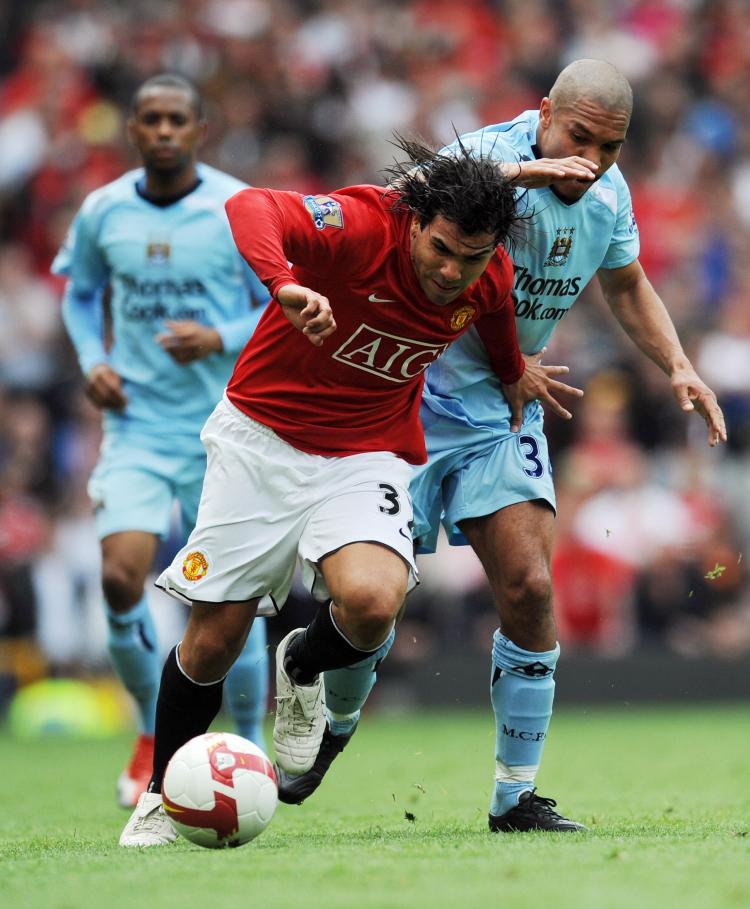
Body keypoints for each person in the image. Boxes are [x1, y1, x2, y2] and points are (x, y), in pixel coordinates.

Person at [284, 59, 728, 832]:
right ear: (545, 112)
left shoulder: (608, 197)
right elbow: (406, 199)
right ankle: (337, 723)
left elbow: (624, 284)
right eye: (577, 138)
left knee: (528, 585)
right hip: (408, 391)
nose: (588, 162)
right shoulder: (488, 159)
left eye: (610, 148)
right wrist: (523, 171)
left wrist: (679, 362)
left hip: (505, 403)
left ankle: (514, 796)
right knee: (370, 605)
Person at [118, 135, 581, 846]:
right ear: (417, 222)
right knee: (214, 638)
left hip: (367, 452)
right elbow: (249, 206)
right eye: (442, 250)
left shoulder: (486, 275)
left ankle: (301, 662)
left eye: (474, 256)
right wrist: (283, 283)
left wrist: (514, 367)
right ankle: (158, 795)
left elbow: (490, 316)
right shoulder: (362, 223)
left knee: (371, 601)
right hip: (261, 441)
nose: (453, 271)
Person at [52, 74, 271, 809]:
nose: (165, 131)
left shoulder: (237, 207)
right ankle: (153, 730)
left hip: (225, 425)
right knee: (120, 578)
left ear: (200, 128)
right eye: (152, 120)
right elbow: (80, 294)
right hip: (138, 425)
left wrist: (220, 334)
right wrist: (94, 363)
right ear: (134, 130)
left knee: (230, 597)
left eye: (178, 119)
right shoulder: (103, 210)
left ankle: (249, 744)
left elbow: (281, 300)